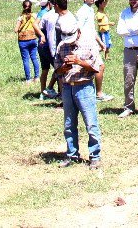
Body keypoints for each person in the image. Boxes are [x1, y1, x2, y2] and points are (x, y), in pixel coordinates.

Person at [54, 17, 103, 170]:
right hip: (68, 88)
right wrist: (64, 67)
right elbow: (56, 70)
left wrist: (79, 62)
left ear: (78, 31)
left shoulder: (89, 44)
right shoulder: (62, 46)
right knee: (69, 124)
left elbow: (97, 68)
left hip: (85, 87)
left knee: (91, 123)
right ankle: (72, 154)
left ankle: (95, 156)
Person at [38, 0, 62, 100]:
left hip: (42, 45)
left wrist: (41, 36)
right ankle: (54, 91)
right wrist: (43, 36)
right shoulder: (49, 14)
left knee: (45, 69)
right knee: (59, 70)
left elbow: (36, 26)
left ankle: (43, 92)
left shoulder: (42, 13)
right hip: (49, 46)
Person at [16, 0, 44, 85]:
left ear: (23, 7)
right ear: (31, 6)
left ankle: (28, 79)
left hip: (23, 40)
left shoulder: (21, 17)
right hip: (33, 38)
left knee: (25, 60)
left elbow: (15, 30)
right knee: (34, 58)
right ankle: (37, 77)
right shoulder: (34, 16)